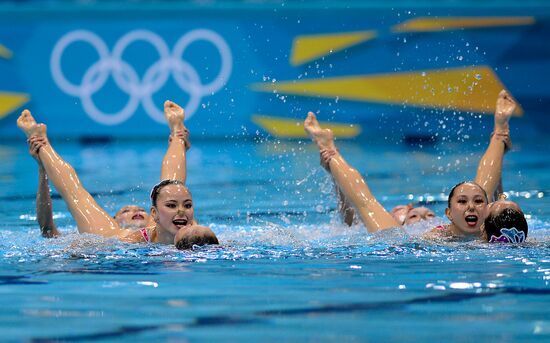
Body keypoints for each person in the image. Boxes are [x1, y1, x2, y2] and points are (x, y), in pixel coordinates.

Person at [305, 90, 528, 242]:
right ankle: (328, 149)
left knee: (481, 189)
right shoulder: (412, 236)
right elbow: (361, 204)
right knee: (366, 205)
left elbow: (486, 185)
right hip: (403, 242)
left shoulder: (483, 225)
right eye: (462, 202)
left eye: (478, 203)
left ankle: (500, 131)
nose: (472, 206)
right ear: (448, 213)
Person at [19, 101, 218, 249]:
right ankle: (42, 144)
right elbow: (48, 230)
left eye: (188, 206)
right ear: (114, 218)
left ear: (152, 214)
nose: (182, 211)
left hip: (155, 231)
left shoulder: (185, 227)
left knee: (172, 190)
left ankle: (178, 134)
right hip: (117, 239)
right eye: (126, 211)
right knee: (80, 201)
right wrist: (42, 168)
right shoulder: (117, 233)